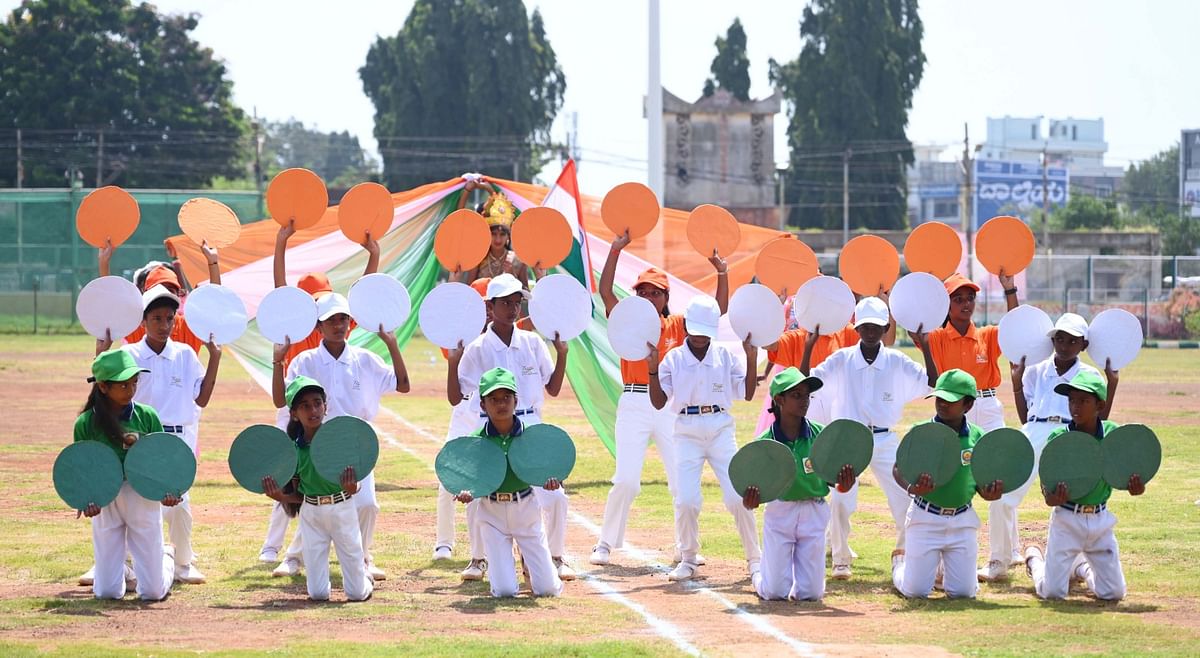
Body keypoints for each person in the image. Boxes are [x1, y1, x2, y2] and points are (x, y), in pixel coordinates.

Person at [590, 231, 730, 567]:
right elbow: (605, 292)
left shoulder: (678, 325)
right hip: (635, 402)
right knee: (626, 480)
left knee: (680, 482)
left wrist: (722, 272)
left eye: (656, 293)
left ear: (665, 298)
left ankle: (687, 549)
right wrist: (614, 250)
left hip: (670, 406)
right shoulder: (627, 319)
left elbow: (719, 309)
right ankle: (605, 544)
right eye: (644, 292)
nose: (650, 297)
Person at [258, 220, 380, 564]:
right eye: (311, 300)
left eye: (321, 299)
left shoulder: (336, 330)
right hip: (296, 416)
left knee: (320, 490)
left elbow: (361, 292)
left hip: (326, 421)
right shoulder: (297, 328)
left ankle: (313, 555)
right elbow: (279, 287)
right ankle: (274, 548)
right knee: (293, 484)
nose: (317, 305)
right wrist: (281, 244)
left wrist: (372, 256)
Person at [269, 292, 410, 582]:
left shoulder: (365, 359)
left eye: (343, 318)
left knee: (367, 504)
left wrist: (392, 344)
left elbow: (403, 384)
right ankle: (293, 557)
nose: (338, 324)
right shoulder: (304, 361)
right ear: (318, 326)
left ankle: (364, 558)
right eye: (330, 319)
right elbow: (281, 399)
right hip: (314, 442)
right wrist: (278, 362)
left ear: (351, 322)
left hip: (356, 443)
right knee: (310, 500)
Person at [448, 273, 575, 581]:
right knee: (478, 493)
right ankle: (479, 558)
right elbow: (456, 396)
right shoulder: (478, 348)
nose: (513, 308)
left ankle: (555, 556)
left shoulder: (532, 342)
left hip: (530, 426)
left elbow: (553, 388)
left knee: (554, 495)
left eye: (517, 302)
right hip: (490, 429)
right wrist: (453, 362)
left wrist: (562, 355)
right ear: (490, 307)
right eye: (506, 302)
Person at [801, 296, 937, 581]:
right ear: (856, 328)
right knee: (841, 500)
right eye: (865, 327)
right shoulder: (841, 359)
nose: (871, 332)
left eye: (877, 326)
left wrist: (925, 346)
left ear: (887, 328)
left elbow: (931, 384)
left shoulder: (896, 361)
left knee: (905, 497)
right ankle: (840, 559)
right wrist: (809, 347)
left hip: (885, 439)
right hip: (848, 439)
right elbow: (807, 383)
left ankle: (907, 554)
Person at [980, 313, 1119, 582]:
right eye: (1059, 339)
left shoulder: (1089, 374)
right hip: (1035, 428)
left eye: (1072, 340)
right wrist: (1017, 383)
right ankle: (1000, 558)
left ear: (1084, 345)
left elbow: (1099, 418)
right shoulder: (1036, 369)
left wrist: (1112, 384)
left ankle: (1077, 560)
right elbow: (1025, 416)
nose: (1064, 345)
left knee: (1075, 499)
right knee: (1002, 489)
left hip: (1071, 434)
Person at [649, 295, 762, 582]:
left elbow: (746, 393)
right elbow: (659, 401)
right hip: (686, 430)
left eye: (706, 333)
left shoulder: (724, 356)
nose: (700, 339)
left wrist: (751, 359)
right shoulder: (673, 358)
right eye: (695, 331)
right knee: (686, 499)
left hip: (721, 428)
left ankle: (755, 559)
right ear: (686, 326)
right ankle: (688, 557)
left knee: (737, 496)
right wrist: (651, 367)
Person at [73, 349, 180, 601]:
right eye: (123, 384)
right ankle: (126, 571)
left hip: (141, 493)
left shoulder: (147, 416)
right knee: (107, 593)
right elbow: (82, 465)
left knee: (152, 593)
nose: (131, 389)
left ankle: (165, 556)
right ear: (102, 386)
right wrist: (85, 498)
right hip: (105, 497)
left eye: (134, 382)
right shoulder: (86, 423)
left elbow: (161, 458)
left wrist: (167, 490)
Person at [1024, 370, 1139, 601]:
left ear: (1100, 405)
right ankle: (1035, 561)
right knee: (1053, 593)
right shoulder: (1059, 437)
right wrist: (1052, 498)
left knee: (1114, 593)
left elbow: (1125, 474)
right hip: (1067, 519)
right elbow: (1047, 488)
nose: (1075, 407)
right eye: (1072, 400)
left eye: (1084, 401)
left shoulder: (1112, 435)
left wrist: (1135, 486)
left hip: (1100, 520)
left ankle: (1082, 568)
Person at [742, 367, 855, 601]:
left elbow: (836, 483)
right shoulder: (764, 444)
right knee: (774, 593)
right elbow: (752, 494)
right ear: (779, 400)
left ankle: (790, 575)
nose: (804, 401)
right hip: (780, 513)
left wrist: (845, 483)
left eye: (807, 395)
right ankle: (757, 572)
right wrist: (750, 501)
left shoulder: (821, 436)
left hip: (814, 512)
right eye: (796, 395)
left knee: (811, 595)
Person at [451, 367, 565, 598]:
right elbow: (468, 480)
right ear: (482, 405)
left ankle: (532, 566)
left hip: (525, 510)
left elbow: (548, 472)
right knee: (503, 591)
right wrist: (465, 492)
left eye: (506, 398)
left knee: (548, 590)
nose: (501, 404)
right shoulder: (475, 442)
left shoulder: (532, 436)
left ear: (516, 401)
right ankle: (503, 564)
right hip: (491, 514)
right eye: (494, 399)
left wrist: (552, 482)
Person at [890, 369, 1004, 599]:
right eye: (939, 398)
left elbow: (981, 484)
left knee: (963, 594)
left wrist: (990, 493)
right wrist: (912, 488)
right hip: (925, 520)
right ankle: (899, 564)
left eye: (950, 400)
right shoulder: (921, 432)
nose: (942, 404)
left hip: (962, 522)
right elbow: (897, 468)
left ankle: (940, 568)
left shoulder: (978, 437)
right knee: (915, 592)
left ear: (968, 405)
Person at [262, 377, 373, 602]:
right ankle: (334, 581)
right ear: (294, 413)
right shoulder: (293, 452)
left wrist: (353, 487)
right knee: (318, 594)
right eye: (305, 406)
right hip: (311, 515)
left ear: (325, 406)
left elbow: (355, 481)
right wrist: (280, 496)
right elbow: (298, 495)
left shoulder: (338, 441)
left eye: (317, 403)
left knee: (356, 594)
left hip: (342, 509)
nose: (313, 410)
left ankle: (364, 579)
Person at [927, 271, 1019, 432]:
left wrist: (1010, 290)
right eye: (958, 299)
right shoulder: (936, 337)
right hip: (954, 405)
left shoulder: (988, 335)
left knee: (995, 452)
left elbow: (1014, 325)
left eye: (970, 298)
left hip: (988, 405)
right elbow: (914, 327)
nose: (967, 303)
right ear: (946, 304)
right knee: (956, 455)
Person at [98, 237, 223, 354]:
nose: (164, 293)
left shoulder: (189, 326)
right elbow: (112, 304)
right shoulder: (138, 324)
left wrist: (213, 263)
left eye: (170, 289)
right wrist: (104, 263)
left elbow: (214, 307)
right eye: (158, 288)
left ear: (178, 294)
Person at [457, 186, 529, 287]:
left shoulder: (518, 260)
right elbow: (470, 290)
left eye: (502, 234)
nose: (498, 239)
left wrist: (512, 274)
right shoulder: (478, 258)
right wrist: (467, 190)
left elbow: (526, 296)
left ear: (508, 236)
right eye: (493, 234)